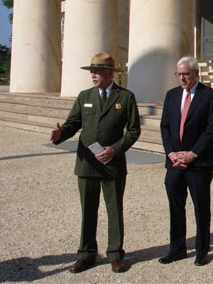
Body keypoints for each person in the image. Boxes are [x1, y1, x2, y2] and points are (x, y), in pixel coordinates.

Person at [50, 52, 141, 274]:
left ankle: (115, 254)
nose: (93, 74)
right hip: (87, 163)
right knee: (88, 210)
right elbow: (73, 123)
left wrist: (115, 149)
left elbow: (133, 130)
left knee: (114, 210)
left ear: (110, 73)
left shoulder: (125, 97)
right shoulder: (85, 96)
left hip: (112, 163)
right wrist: (60, 134)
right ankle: (86, 254)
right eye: (91, 71)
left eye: (97, 71)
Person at [159, 55, 213, 266]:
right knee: (176, 207)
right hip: (175, 162)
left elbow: (211, 129)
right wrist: (171, 154)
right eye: (179, 74)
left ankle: (202, 250)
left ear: (196, 73)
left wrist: (192, 154)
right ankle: (177, 248)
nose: (182, 78)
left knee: (201, 206)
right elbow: (165, 127)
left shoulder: (209, 95)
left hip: (199, 163)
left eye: (186, 74)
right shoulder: (172, 95)